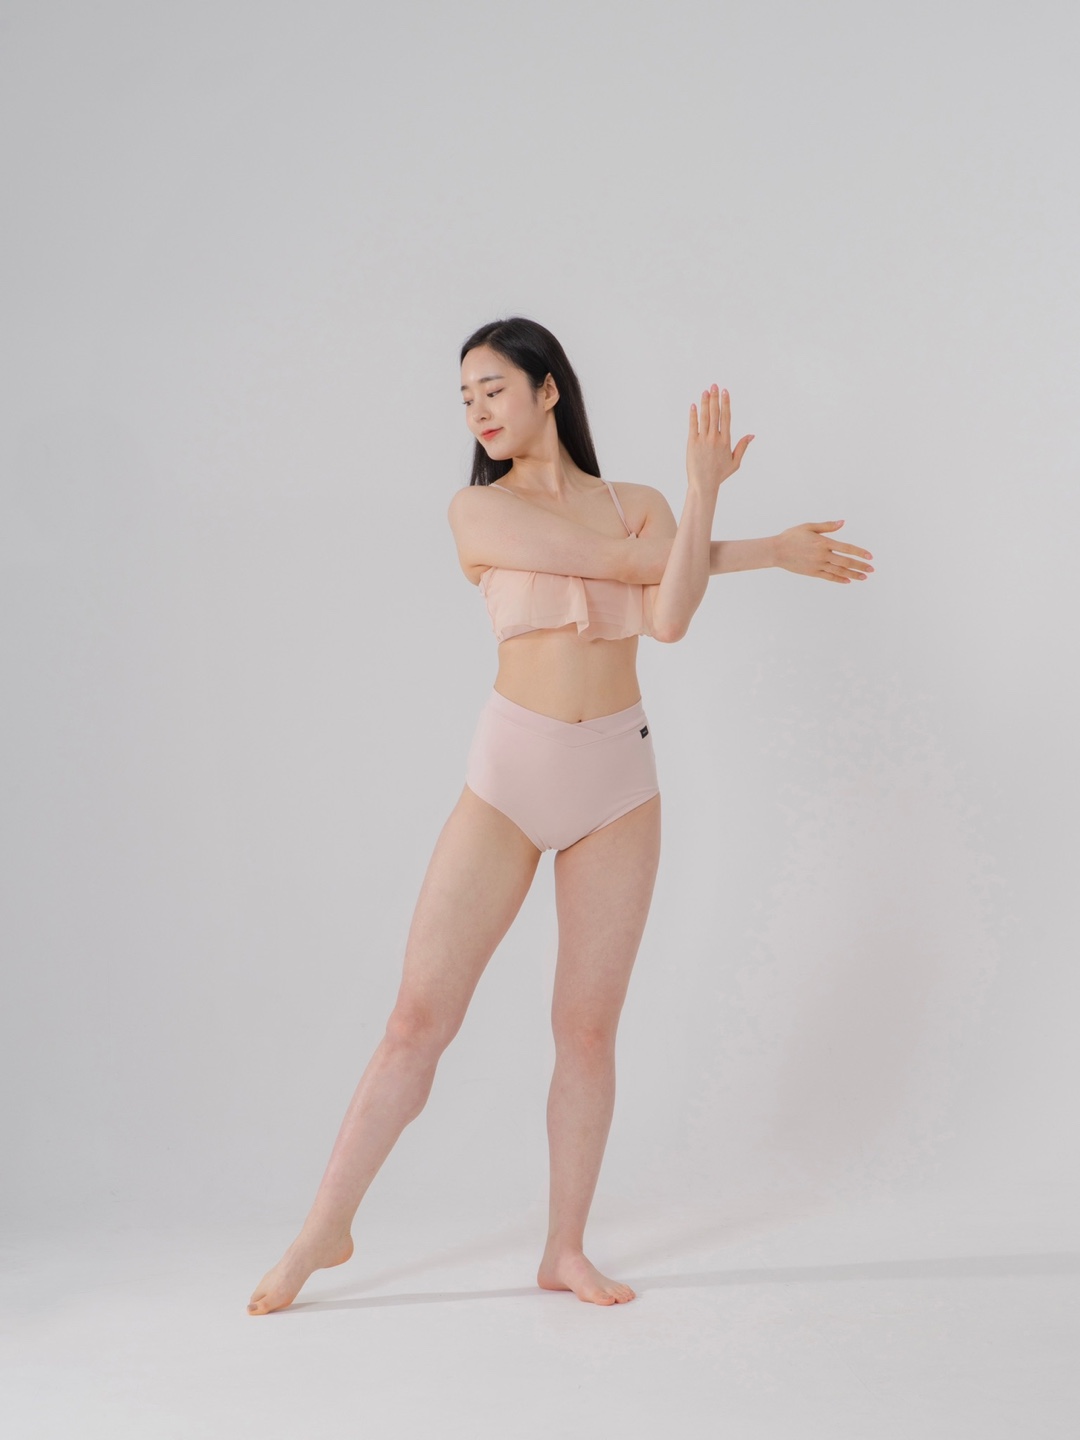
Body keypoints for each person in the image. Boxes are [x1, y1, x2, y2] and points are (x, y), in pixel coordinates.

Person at [246, 316, 873, 1314]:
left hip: (618, 784)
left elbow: (668, 617)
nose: (477, 410)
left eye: (493, 387)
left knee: (586, 1032)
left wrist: (701, 494)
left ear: (548, 389)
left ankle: (564, 1249)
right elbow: (628, 568)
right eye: (465, 397)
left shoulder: (644, 504)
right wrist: (750, 550)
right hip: (509, 777)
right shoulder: (477, 511)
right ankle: (324, 1229)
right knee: (416, 1021)